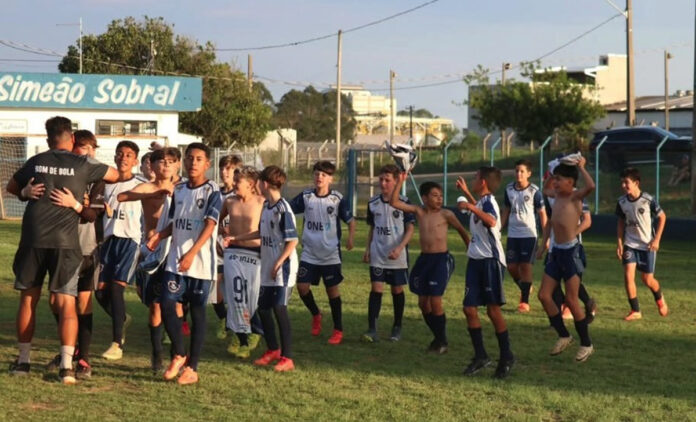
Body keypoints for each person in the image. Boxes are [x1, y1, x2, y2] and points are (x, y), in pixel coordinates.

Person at [7, 116, 117, 384]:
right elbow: (114, 175)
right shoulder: (82, 163)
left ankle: (23, 362)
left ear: (48, 140)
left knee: (28, 300)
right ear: (72, 138)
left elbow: (11, 187)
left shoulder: (36, 161)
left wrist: (25, 193)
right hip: (66, 242)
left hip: (33, 238)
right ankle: (67, 367)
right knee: (67, 302)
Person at [147, 142, 221, 385]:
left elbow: (210, 225)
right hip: (176, 262)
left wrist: (192, 253)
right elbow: (174, 222)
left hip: (201, 263)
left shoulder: (212, 190)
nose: (193, 162)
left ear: (207, 164)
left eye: (198, 159)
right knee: (166, 303)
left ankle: (192, 368)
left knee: (197, 312)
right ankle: (179, 353)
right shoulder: (178, 189)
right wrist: (159, 236)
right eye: (189, 158)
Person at [224, 165, 299, 372]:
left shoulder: (283, 209)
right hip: (268, 266)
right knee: (263, 309)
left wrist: (279, 262)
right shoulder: (267, 206)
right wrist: (236, 238)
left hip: (282, 268)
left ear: (264, 184)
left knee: (279, 309)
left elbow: (292, 241)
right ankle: (273, 349)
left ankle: (287, 357)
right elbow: (260, 232)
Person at [46, 130, 106, 379]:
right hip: (60, 245)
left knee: (83, 301)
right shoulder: (63, 173)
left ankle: (83, 358)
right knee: (55, 301)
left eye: (91, 147)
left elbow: (91, 215)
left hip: (86, 246)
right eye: (82, 146)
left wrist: (76, 204)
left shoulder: (98, 177)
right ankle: (70, 348)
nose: (87, 152)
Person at [390, 173, 470, 354]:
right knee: (423, 303)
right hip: (424, 260)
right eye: (435, 195)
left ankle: (442, 342)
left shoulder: (446, 214)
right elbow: (394, 202)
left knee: (435, 300)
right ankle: (439, 338)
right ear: (424, 198)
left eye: (441, 196)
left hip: (441, 260)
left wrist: (469, 246)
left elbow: (461, 230)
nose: (439, 199)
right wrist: (400, 181)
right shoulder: (419, 212)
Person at [118, 147, 179, 372]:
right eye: (161, 161)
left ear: (177, 165)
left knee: (176, 305)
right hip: (153, 252)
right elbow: (122, 196)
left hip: (175, 251)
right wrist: (151, 194)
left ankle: (177, 353)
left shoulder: (182, 189)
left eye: (170, 161)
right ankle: (157, 354)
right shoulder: (148, 187)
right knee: (155, 306)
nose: (166, 165)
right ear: (151, 166)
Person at [456, 168, 515, 378]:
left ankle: (506, 356)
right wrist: (468, 195)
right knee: (469, 308)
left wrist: (470, 205)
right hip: (475, 261)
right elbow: (481, 210)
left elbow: (491, 221)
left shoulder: (489, 202)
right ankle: (481, 355)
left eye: (475, 178)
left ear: (483, 182)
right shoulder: (483, 202)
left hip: (490, 261)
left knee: (493, 310)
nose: (472, 180)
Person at [289, 161, 355, 345]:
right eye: (317, 173)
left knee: (331, 290)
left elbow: (351, 221)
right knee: (302, 287)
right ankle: (316, 314)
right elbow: (287, 209)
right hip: (309, 253)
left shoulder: (337, 199)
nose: (319, 177)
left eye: (324, 175)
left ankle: (338, 330)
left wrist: (350, 238)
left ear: (331, 179)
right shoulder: (306, 196)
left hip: (330, 254)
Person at [537, 156, 596, 363]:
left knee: (571, 300)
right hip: (556, 252)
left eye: (559, 179)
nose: (555, 182)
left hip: (571, 252)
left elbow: (591, 186)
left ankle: (586, 344)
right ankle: (564, 335)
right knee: (544, 295)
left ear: (570, 182)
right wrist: (542, 246)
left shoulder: (575, 196)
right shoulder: (555, 195)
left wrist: (581, 167)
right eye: (555, 179)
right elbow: (545, 190)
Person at [95, 141, 142, 361]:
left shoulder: (141, 184)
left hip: (129, 241)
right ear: (114, 157)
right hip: (108, 241)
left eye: (129, 155)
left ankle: (117, 344)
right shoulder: (106, 184)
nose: (124, 158)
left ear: (136, 161)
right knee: (99, 292)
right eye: (120, 154)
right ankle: (122, 318)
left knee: (116, 289)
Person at [361, 164, 415, 343]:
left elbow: (410, 229)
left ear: (396, 181)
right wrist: (367, 249)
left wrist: (400, 248)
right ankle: (372, 328)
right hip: (378, 253)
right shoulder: (373, 203)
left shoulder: (404, 202)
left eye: (387, 180)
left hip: (397, 255)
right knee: (376, 288)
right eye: (381, 179)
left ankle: (397, 326)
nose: (383, 183)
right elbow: (372, 228)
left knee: (396, 289)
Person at [220, 166, 265, 358]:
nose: (234, 183)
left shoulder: (261, 202)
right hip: (233, 253)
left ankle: (255, 331)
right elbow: (215, 221)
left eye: (238, 181)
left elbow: (266, 230)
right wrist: (222, 234)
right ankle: (241, 338)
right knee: (235, 296)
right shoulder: (229, 201)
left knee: (251, 297)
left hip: (254, 254)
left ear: (250, 184)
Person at [616, 167, 668, 320]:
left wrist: (656, 239)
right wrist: (619, 243)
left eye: (626, 182)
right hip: (630, 244)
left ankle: (659, 298)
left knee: (647, 279)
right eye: (622, 182)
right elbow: (620, 222)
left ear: (636, 183)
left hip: (647, 245)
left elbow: (663, 217)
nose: (623, 186)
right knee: (628, 275)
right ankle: (635, 310)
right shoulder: (622, 202)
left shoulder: (648, 200)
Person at [501, 159, 547, 313]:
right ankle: (525, 286)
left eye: (522, 171)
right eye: (516, 171)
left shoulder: (534, 191)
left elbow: (543, 215)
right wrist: (499, 228)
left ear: (529, 174)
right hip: (513, 234)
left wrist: (545, 237)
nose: (518, 174)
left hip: (529, 235)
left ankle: (524, 302)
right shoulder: (509, 189)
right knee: (511, 266)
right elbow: (506, 210)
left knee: (526, 266)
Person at [214, 154, 243, 342]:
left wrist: (233, 231)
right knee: (214, 291)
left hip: (236, 250)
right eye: (222, 168)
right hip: (217, 249)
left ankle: (241, 332)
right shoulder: (215, 193)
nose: (224, 172)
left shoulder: (241, 195)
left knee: (236, 293)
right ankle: (224, 319)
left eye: (229, 169)